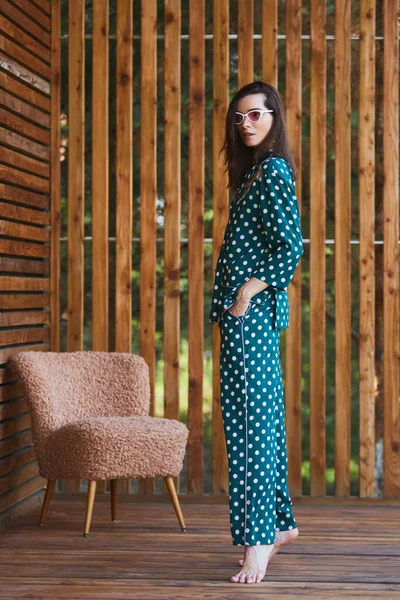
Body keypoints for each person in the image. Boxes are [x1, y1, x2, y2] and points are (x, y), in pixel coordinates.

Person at [209, 81, 304, 584]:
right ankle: (280, 523)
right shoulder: (252, 178)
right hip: (240, 322)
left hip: (250, 319)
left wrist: (247, 291)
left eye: (256, 114)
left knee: (250, 430)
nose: (246, 123)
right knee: (257, 423)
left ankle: (257, 544)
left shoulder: (273, 172)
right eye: (239, 117)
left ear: (274, 118)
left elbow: (290, 247)